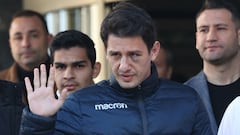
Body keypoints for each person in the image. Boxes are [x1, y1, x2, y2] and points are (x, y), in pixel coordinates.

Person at [20, 2, 213, 134]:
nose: (123, 66)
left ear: (153, 51)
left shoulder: (188, 100)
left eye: (134, 55)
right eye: (115, 55)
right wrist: (39, 123)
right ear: (106, 51)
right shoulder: (80, 104)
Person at [184, 0, 240, 134]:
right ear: (197, 39)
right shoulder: (183, 96)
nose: (210, 37)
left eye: (220, 28)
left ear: (239, 36)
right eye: (204, 30)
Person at [0, 10, 52, 85]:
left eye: (34, 36)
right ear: (10, 44)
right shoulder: (2, 82)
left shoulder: (67, 79)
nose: (25, 44)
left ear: (49, 40)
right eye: (18, 37)